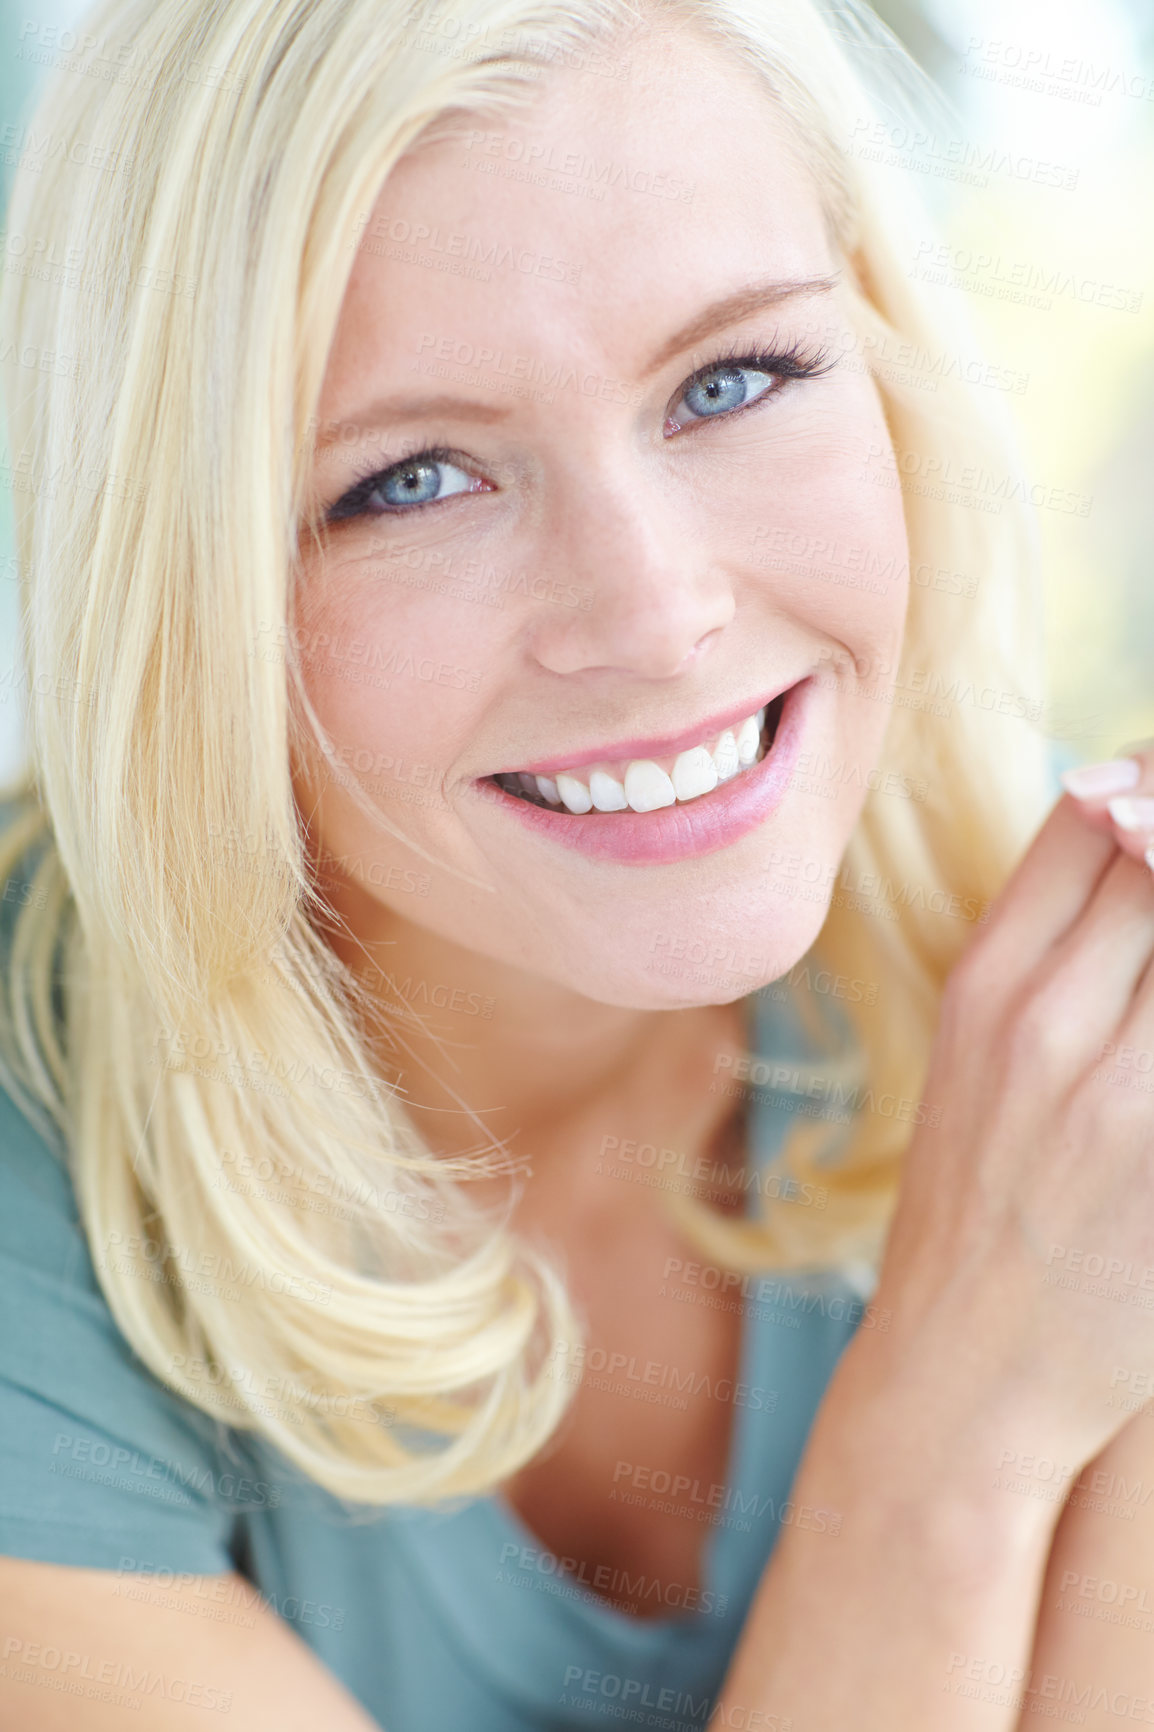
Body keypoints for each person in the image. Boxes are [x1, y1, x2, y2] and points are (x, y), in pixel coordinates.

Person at [0, 0, 1153, 1725]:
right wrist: (955, 1432)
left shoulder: (1096, 1030)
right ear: (181, 587)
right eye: (413, 481)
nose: (653, 611)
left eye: (734, 378)